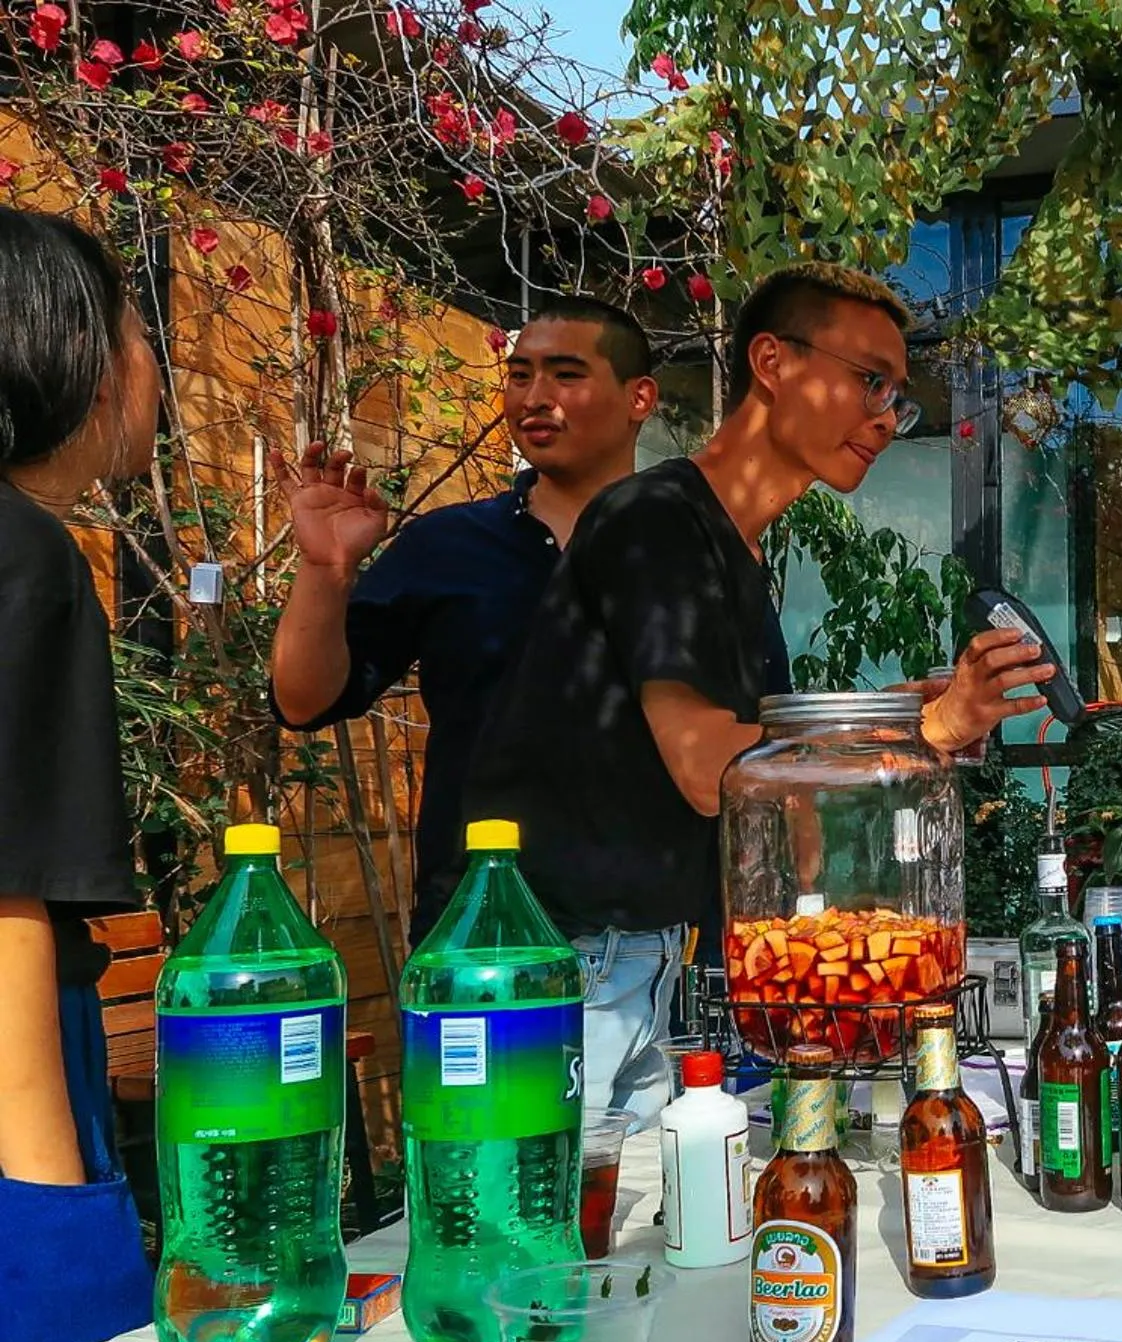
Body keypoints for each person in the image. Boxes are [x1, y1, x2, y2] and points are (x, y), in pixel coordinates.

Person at [467, 262, 1050, 1126]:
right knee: (541, 1210)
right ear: (772, 362)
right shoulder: (655, 520)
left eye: (896, 399)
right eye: (870, 380)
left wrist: (889, 716)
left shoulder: (731, 548)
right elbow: (710, 765)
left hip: (638, 965)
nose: (885, 418)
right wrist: (924, 727)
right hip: (566, 968)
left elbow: (754, 748)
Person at [270, 297, 660, 944]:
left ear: (639, 397)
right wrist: (325, 568)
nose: (535, 397)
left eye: (566, 375)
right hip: (476, 935)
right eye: (520, 375)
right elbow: (303, 700)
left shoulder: (690, 550)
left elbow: (756, 742)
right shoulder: (447, 545)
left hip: (657, 942)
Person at [0, 207, 162, 1342]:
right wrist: (56, 1228)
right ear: (85, 361)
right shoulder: (24, 561)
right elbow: (4, 902)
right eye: (138, 331)